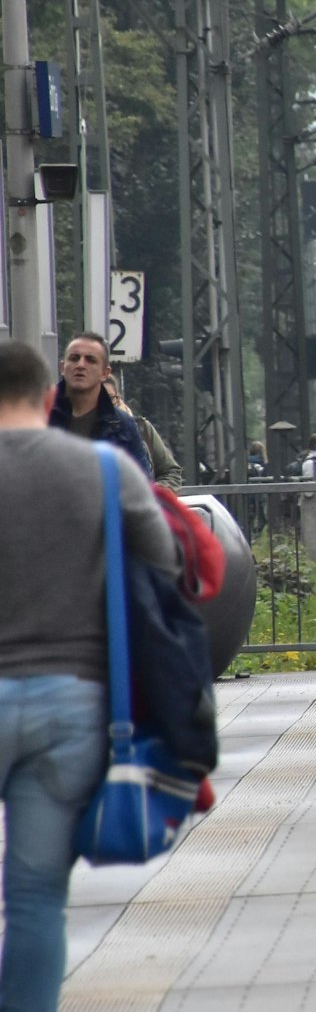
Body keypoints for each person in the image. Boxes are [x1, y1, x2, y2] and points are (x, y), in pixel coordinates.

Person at [0, 340, 178, 1012]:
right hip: (71, 704)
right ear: (45, 392)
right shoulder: (106, 469)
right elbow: (161, 574)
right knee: (37, 894)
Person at [46, 332, 150, 479]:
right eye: (74, 358)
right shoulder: (39, 418)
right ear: (62, 367)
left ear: (105, 373)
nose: (80, 365)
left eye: (91, 360)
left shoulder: (122, 425)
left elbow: (142, 486)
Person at [101, 375, 182, 492]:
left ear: (119, 399)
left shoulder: (141, 428)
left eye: (111, 398)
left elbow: (170, 472)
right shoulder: (77, 433)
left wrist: (154, 494)